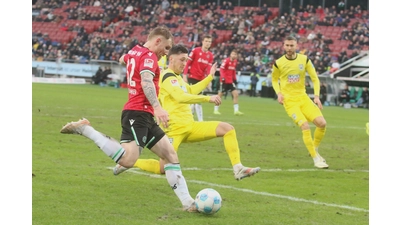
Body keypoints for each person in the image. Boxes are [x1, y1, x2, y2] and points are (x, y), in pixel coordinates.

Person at [59, 26, 198, 212]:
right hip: (137, 113)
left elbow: (123, 58)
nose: (165, 53)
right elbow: (147, 81)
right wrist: (157, 107)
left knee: (170, 155)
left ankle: (188, 203)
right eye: (165, 48)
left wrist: (133, 64)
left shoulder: (134, 51)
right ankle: (85, 129)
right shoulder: (148, 57)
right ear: (157, 41)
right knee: (128, 160)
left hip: (145, 115)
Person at [113, 44, 260, 180]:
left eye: (186, 60)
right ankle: (132, 162)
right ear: (171, 59)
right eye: (182, 60)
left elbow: (190, 90)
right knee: (162, 168)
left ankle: (238, 168)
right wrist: (207, 99)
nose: (185, 63)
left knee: (228, 129)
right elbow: (180, 97)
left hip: (190, 126)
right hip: (174, 130)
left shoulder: (177, 78)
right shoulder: (165, 76)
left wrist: (209, 77)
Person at [271, 36, 329, 169]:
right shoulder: (278, 63)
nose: (289, 48)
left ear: (296, 46)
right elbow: (274, 79)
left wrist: (316, 96)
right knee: (305, 126)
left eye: (292, 45)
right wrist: (279, 93)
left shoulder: (305, 59)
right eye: (287, 45)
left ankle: (314, 149)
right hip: (289, 101)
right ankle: (316, 159)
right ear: (283, 46)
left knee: (322, 123)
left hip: (303, 98)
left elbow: (315, 78)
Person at [182, 34, 214, 122]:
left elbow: (208, 69)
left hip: (201, 79)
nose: (208, 43)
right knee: (197, 98)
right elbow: (188, 63)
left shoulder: (210, 55)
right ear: (203, 42)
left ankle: (189, 116)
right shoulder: (195, 51)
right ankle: (200, 120)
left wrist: (208, 80)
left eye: (209, 42)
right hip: (192, 77)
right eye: (206, 41)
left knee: (194, 99)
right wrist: (185, 75)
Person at [214, 49, 244, 115]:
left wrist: (235, 79)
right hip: (224, 81)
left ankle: (236, 111)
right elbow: (221, 69)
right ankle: (216, 110)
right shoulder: (226, 61)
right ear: (230, 54)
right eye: (233, 54)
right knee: (220, 95)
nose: (234, 55)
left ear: (237, 56)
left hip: (230, 81)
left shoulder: (235, 61)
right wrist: (223, 77)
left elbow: (233, 71)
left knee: (236, 94)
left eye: (235, 54)